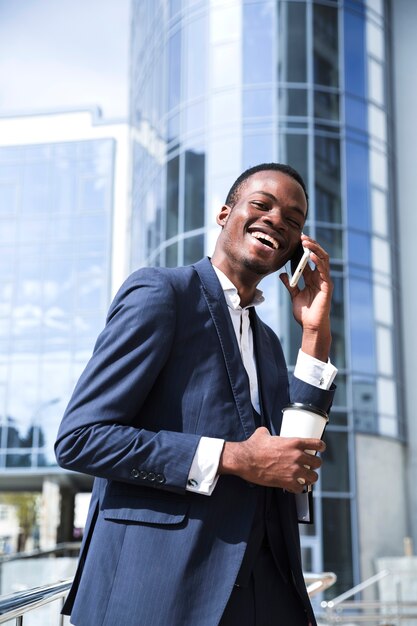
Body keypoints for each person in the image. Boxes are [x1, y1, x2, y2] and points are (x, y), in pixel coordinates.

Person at [55, 163, 336, 626]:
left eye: (293, 220)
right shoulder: (162, 293)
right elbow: (81, 437)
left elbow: (291, 461)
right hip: (162, 594)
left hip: (267, 594)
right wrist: (233, 458)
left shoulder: (268, 342)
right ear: (225, 214)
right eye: (262, 205)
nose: (277, 221)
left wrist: (314, 333)